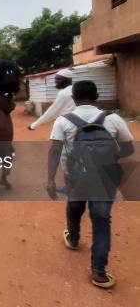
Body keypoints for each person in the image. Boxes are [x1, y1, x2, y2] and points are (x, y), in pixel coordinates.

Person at [47, 80, 134, 289]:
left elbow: (55, 151)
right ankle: (99, 273)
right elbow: (128, 149)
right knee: (102, 221)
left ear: (74, 98)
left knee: (75, 207)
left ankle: (74, 238)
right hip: (105, 178)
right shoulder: (113, 119)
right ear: (96, 97)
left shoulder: (63, 121)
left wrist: (49, 180)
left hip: (76, 177)